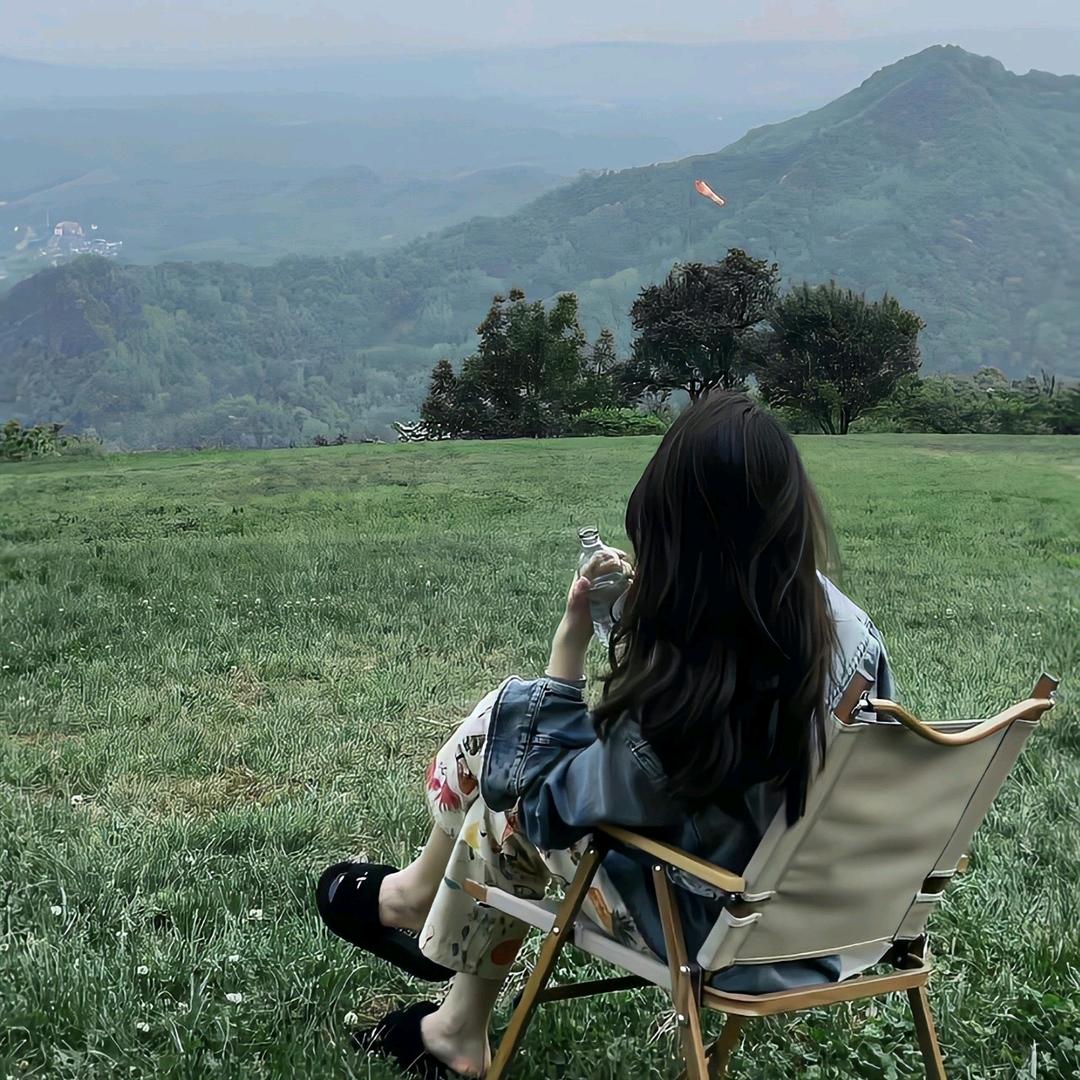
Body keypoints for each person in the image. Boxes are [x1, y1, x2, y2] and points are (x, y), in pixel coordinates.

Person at [316, 391, 894, 1078]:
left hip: (718, 930)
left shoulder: (682, 717)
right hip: (839, 922)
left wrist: (568, 649)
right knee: (509, 737)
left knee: (504, 791)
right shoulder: (847, 633)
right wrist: (654, 623)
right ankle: (425, 943)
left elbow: (547, 808)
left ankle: (422, 941)